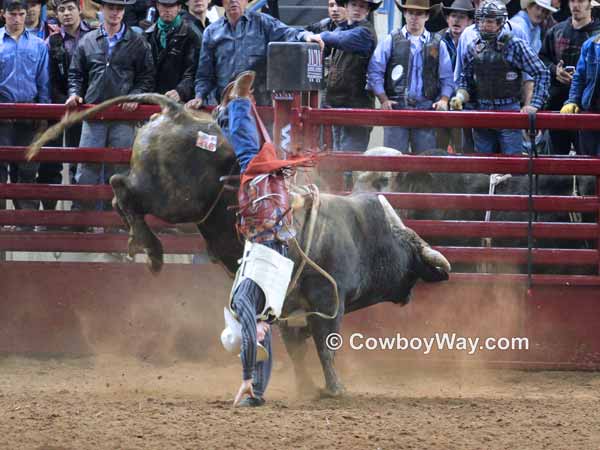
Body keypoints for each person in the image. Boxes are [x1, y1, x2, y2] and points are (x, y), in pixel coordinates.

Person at [217, 71, 303, 407]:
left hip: (272, 225)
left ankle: (238, 103)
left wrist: (246, 378)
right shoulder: (262, 312)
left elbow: (254, 339)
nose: (258, 334)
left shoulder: (244, 304)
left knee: (251, 159)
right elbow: (257, 339)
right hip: (273, 224)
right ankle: (235, 106)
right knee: (251, 159)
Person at [67, 0, 154, 211]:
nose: (115, 12)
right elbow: (76, 74)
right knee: (87, 169)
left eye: (119, 8)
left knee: (121, 169)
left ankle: (117, 221)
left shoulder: (138, 42)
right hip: (94, 113)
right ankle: (82, 220)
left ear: (124, 11)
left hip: (123, 116)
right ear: (102, 9)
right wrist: (75, 93)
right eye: (111, 8)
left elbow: (147, 77)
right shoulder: (87, 41)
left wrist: (135, 96)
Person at [451, 0, 550, 154]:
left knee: (513, 163)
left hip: (508, 108)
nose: (484, 25)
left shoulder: (515, 45)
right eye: (482, 20)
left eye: (489, 21)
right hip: (481, 109)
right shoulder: (473, 46)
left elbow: (541, 72)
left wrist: (534, 104)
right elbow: (465, 78)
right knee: (483, 164)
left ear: (500, 22)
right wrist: (460, 96)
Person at [188, 0, 315, 108]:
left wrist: (305, 35)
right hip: (225, 105)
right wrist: (199, 96)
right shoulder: (211, 32)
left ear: (246, 1)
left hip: (259, 105)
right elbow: (204, 74)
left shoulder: (263, 23)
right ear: (222, 2)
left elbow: (287, 33)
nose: (233, 0)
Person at [367, 0, 454, 153]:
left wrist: (444, 99)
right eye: (411, 13)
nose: (414, 17)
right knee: (393, 161)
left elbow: (447, 77)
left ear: (427, 16)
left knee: (425, 161)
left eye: (419, 13)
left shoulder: (438, 43)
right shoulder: (391, 40)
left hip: (426, 109)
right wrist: (383, 99)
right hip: (397, 108)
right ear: (405, 14)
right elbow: (375, 70)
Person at [37, 0, 91, 202]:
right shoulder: (51, 41)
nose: (66, 13)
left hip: (86, 106)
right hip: (57, 107)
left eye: (70, 9)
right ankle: (48, 215)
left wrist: (83, 100)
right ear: (56, 14)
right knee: (51, 163)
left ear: (80, 10)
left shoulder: (94, 36)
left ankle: (81, 215)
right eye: (62, 10)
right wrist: (61, 101)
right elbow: (47, 77)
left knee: (82, 162)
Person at [307, 0, 379, 153]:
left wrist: (318, 36)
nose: (358, 9)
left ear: (367, 11)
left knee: (349, 162)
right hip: (334, 104)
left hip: (356, 108)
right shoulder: (341, 29)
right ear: (346, 7)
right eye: (354, 5)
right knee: (330, 160)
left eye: (362, 6)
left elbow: (341, 39)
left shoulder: (365, 33)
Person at [0, 0, 50, 216]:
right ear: (3, 14)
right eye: (13, 14)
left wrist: (44, 113)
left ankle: (26, 219)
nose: (18, 19)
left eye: (21, 14)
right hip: (2, 114)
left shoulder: (38, 44)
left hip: (31, 111)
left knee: (29, 167)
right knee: (0, 170)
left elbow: (44, 82)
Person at [540, 0, 600, 154]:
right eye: (572, 0)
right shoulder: (556, 31)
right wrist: (555, 70)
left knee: (587, 161)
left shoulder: (596, 37)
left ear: (590, 4)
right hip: (559, 104)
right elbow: (541, 59)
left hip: (588, 107)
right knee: (556, 161)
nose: (575, 5)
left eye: (580, 0)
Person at [144, 0, 201, 102]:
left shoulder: (191, 35)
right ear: (157, 6)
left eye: (171, 6)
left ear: (179, 7)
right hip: (152, 100)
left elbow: (194, 73)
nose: (167, 10)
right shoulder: (147, 35)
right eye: (164, 5)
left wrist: (180, 91)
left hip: (181, 102)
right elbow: (142, 73)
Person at [438, 0, 474, 152]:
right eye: (453, 16)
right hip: (441, 100)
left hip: (466, 101)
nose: (457, 20)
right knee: (438, 145)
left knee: (464, 147)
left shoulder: (474, 41)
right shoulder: (436, 39)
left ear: (470, 21)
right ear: (447, 19)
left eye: (462, 17)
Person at [561, 33, 600, 155]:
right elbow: (579, 77)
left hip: (590, 109)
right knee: (588, 158)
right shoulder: (591, 45)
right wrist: (572, 100)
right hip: (591, 109)